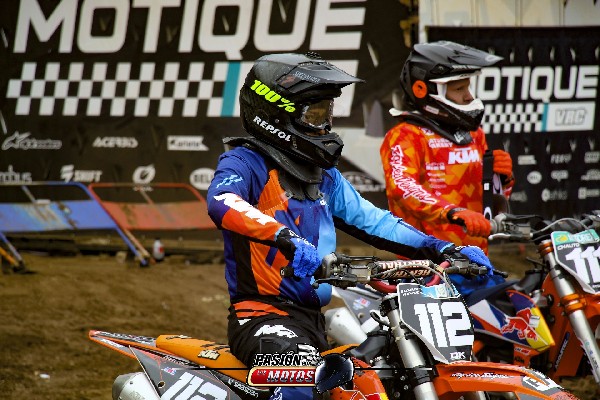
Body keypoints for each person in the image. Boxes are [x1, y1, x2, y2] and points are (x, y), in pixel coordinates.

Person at [206, 52, 501, 400]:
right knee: (300, 381)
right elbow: (221, 201)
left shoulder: (324, 175)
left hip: (313, 319)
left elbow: (375, 222)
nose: (324, 125)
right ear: (277, 113)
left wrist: (442, 247)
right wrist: (283, 237)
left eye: (327, 113)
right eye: (315, 114)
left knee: (380, 377)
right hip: (260, 317)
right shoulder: (245, 161)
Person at [380, 41, 515, 255]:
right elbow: (402, 188)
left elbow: (492, 209)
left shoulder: (474, 134)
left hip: (475, 257)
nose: (468, 96)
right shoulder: (405, 135)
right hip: (425, 262)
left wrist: (502, 181)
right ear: (422, 89)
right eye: (459, 88)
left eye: (468, 86)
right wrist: (452, 211)